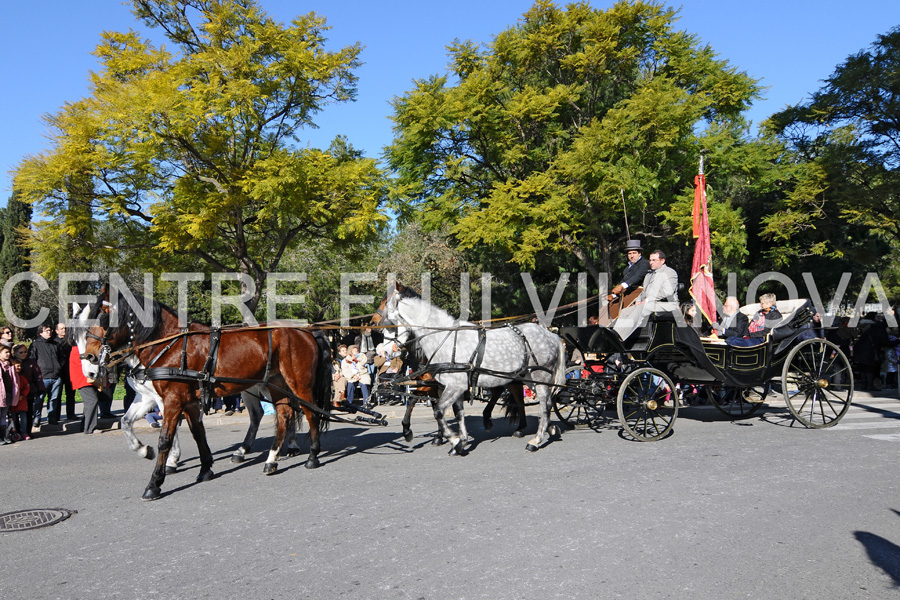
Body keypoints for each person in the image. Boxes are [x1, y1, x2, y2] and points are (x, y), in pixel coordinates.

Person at [612, 249, 678, 340]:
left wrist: (647, 300)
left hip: (666, 304)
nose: (651, 262)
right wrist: (638, 300)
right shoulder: (649, 275)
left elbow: (667, 292)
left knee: (643, 308)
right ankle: (615, 335)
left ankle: (620, 336)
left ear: (662, 261)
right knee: (625, 311)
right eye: (650, 260)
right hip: (649, 304)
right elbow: (643, 291)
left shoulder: (669, 272)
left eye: (654, 260)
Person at [29, 324, 62, 426]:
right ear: (40, 333)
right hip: (43, 377)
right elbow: (32, 360)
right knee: (39, 399)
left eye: (50, 330)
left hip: (56, 376)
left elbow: (62, 358)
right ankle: (37, 418)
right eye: (46, 330)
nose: (49, 332)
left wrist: (59, 367)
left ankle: (52, 417)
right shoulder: (35, 345)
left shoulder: (55, 344)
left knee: (54, 399)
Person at [13, 343, 44, 437]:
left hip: (28, 391)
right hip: (15, 392)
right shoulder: (12, 362)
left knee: (28, 412)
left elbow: (38, 376)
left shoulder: (31, 362)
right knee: (14, 414)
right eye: (21, 352)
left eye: (25, 352)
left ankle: (27, 431)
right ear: (15, 353)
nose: (24, 354)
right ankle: (17, 432)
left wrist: (41, 388)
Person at [69, 345, 100, 434]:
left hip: (84, 379)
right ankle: (90, 428)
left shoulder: (78, 349)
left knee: (89, 403)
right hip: (83, 379)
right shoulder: (79, 349)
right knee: (92, 401)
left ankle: (85, 426)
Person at [54, 322, 77, 421]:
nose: (64, 330)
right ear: (57, 331)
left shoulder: (71, 341)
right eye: (62, 328)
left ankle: (71, 414)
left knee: (71, 395)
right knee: (57, 395)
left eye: (65, 328)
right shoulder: (53, 342)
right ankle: (56, 415)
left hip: (70, 371)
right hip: (58, 372)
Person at [0, 341, 19, 444]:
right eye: (5, 352)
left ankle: (4, 436)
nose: (8, 354)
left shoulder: (10, 365)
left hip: (7, 393)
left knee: (4, 415)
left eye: (8, 352)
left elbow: (15, 380)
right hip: (0, 393)